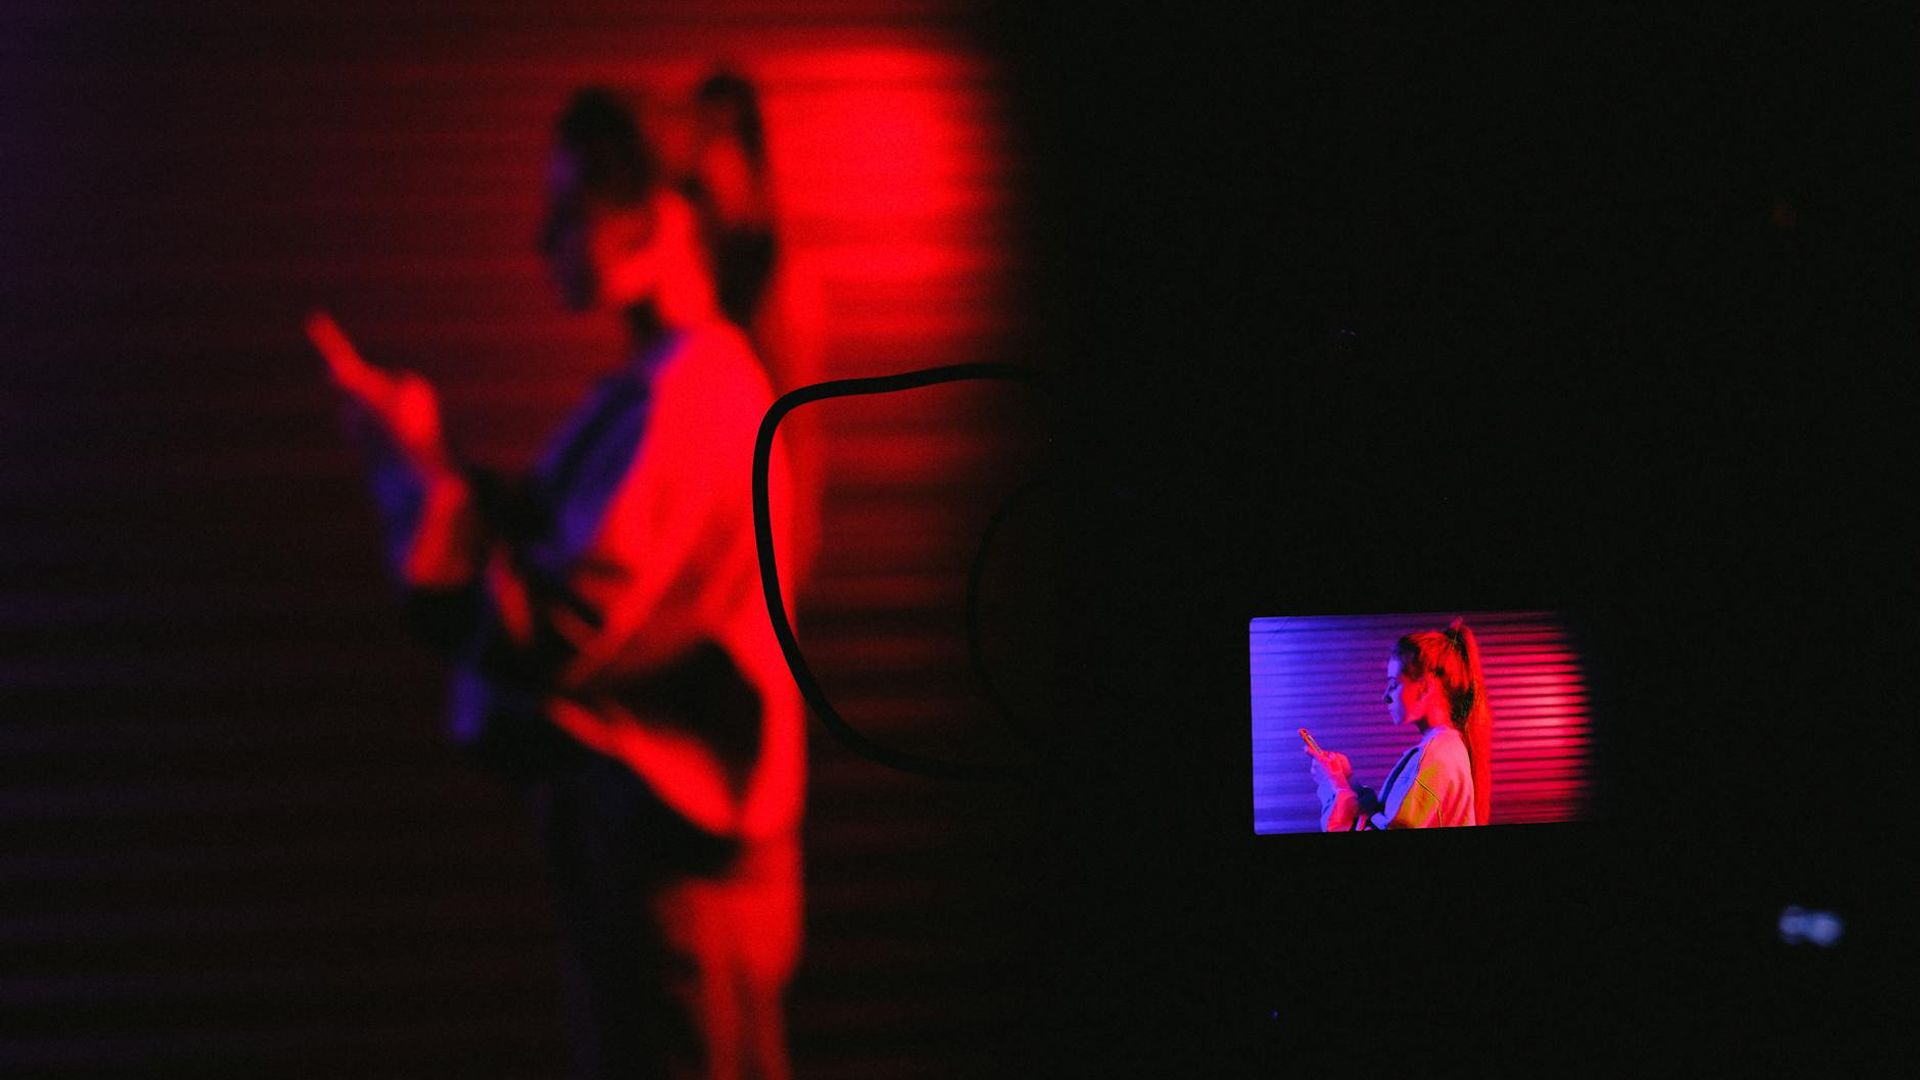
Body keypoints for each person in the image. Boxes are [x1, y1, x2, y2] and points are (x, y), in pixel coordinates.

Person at [308, 85, 803, 1080]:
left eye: (568, 208)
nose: (543, 238)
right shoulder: (662, 389)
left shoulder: (695, 401)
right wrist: (425, 462)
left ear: (657, 225)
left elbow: (548, 632)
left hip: (681, 888)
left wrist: (421, 489)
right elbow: (547, 533)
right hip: (652, 869)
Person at [674, 69, 825, 594]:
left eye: (723, 135)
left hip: (754, 513)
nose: (709, 156)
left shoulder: (780, 278)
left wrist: (793, 552)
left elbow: (800, 426)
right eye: (702, 134)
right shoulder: (691, 267)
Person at [1305, 619, 1493, 830]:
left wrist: (1333, 787)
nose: (1385, 696)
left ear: (1425, 686)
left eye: (1393, 684)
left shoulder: (1436, 758)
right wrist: (1348, 780)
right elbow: (1386, 818)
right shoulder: (1444, 749)